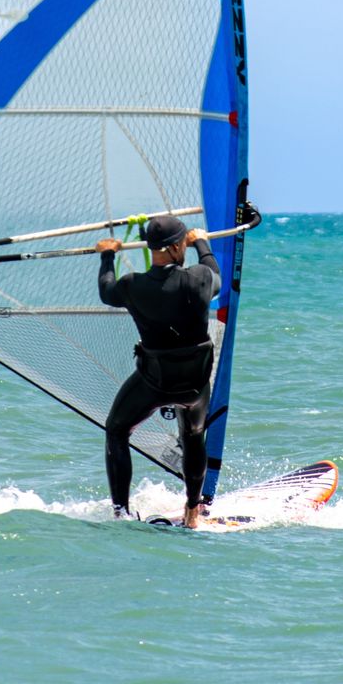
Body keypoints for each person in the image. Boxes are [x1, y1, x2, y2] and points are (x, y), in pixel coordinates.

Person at [94, 214, 218, 527]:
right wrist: (201, 241)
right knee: (194, 435)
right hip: (193, 386)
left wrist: (108, 254)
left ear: (151, 249)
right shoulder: (200, 278)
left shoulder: (132, 286)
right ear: (178, 247)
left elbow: (106, 291)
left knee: (117, 430)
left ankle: (121, 511)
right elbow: (215, 273)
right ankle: (192, 511)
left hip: (154, 382)